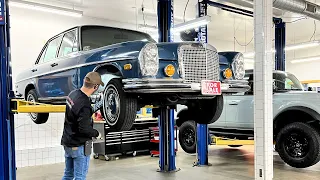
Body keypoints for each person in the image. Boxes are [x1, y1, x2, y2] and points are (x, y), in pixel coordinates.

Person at [61, 72, 104, 180]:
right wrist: (97, 133)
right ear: (95, 86)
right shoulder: (85, 104)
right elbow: (84, 129)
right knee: (80, 177)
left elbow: (77, 113)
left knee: (68, 175)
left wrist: (94, 107)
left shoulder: (73, 94)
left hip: (68, 142)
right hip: (79, 146)